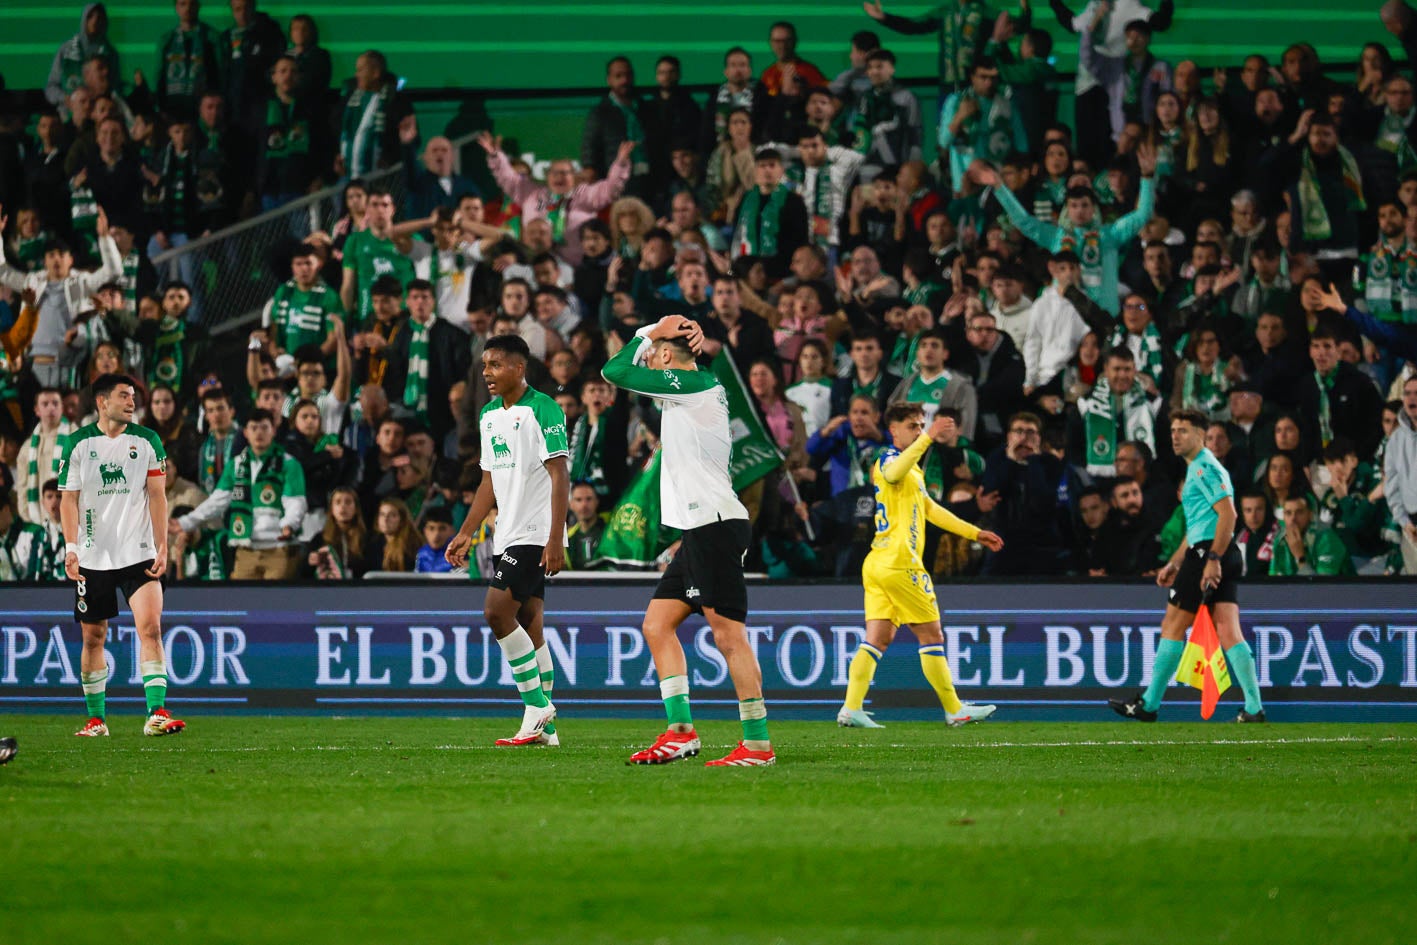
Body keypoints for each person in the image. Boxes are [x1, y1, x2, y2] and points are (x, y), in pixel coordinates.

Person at [601, 315, 776, 767]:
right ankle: (681, 732)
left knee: (728, 635)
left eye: (654, 353)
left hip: (715, 524)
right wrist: (663, 330)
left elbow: (614, 371)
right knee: (657, 625)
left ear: (663, 356)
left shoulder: (696, 385)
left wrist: (648, 331)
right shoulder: (687, 392)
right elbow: (629, 368)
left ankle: (757, 744)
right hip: (697, 529)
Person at [837, 404, 1003, 728]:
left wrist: (975, 532)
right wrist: (928, 437)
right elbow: (893, 472)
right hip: (900, 564)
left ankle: (851, 707)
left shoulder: (913, 469)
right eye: (912, 425)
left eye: (921, 425)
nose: (919, 430)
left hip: (879, 563)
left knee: (877, 639)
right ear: (894, 430)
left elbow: (931, 510)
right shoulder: (887, 459)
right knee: (932, 636)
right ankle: (954, 709)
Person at [444, 333, 569, 747]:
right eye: (485, 366)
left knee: (496, 612)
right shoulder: (489, 415)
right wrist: (466, 531)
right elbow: (488, 480)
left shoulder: (543, 409)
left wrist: (556, 538)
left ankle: (536, 707)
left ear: (520, 367)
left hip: (535, 534)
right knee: (532, 626)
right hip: (508, 533)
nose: (487, 373)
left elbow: (560, 475)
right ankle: (547, 731)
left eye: (496, 365)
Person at [1109, 409, 1266, 724]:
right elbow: (1198, 524)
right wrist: (1174, 562)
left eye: (1183, 430)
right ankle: (1253, 708)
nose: (1175, 436)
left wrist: (1212, 559)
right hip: (1212, 551)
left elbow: (1229, 515)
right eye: (1173, 430)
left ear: (1201, 434)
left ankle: (1149, 704)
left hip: (1209, 553)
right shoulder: (1199, 467)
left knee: (1172, 626)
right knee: (1228, 630)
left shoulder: (1204, 468)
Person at [60, 373, 184, 738]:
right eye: (124, 396)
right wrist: (71, 548)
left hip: (139, 552)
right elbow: (68, 498)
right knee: (93, 638)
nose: (132, 402)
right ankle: (96, 719)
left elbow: (158, 495)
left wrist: (161, 545)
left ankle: (156, 713)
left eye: (133, 397)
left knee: (151, 627)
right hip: (93, 555)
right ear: (102, 402)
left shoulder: (147, 441)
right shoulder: (79, 444)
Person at [978, 143, 1158, 314]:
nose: (1079, 211)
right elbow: (1023, 221)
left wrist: (1148, 177)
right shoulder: (1056, 237)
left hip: (1104, 316)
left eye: (1084, 205)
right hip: (1066, 315)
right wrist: (999, 188)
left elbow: (1142, 215)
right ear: (1067, 210)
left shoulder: (1110, 234)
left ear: (1094, 209)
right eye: (1074, 206)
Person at [172, 408, 308, 579]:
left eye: (264, 428)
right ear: (245, 433)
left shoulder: (288, 463)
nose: (259, 433)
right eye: (254, 428)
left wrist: (289, 524)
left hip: (279, 549)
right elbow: (217, 502)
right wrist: (186, 522)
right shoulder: (235, 465)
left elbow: (295, 501)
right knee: (241, 601)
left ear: (273, 431)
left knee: (275, 604)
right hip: (246, 549)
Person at [0, 204, 120, 389]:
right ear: (45, 261)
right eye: (51, 255)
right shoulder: (32, 282)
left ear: (70, 259)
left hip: (69, 366)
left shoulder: (81, 281)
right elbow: (3, 272)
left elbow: (113, 271)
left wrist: (105, 238)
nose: (57, 259)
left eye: (61, 255)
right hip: (34, 365)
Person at [480, 132, 631, 266]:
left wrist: (621, 163)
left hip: (575, 267)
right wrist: (495, 156)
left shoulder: (585, 195)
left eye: (565, 173)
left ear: (574, 176)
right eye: (555, 173)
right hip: (534, 265)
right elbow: (508, 178)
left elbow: (611, 188)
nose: (560, 177)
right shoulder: (531, 194)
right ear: (547, 176)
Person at [938, 57, 1028, 194]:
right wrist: (960, 117)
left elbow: (1022, 145)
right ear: (973, 77)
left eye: (993, 78)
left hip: (998, 180)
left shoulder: (1007, 105)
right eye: (983, 77)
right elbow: (944, 141)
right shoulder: (956, 101)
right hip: (964, 180)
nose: (989, 82)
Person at [336, 49, 413, 180]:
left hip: (384, 178)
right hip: (349, 177)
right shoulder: (350, 99)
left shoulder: (397, 101)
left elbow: (410, 139)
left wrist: (390, 158)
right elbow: (339, 129)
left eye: (360, 70)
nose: (356, 75)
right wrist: (340, 155)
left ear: (375, 73)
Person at [851, 49, 924, 179]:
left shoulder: (906, 97)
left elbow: (915, 131)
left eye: (879, 67)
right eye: (870, 68)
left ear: (892, 69)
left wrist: (913, 164)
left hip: (900, 164)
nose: (874, 72)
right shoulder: (865, 98)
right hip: (872, 163)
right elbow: (860, 130)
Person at [262, 244, 344, 357]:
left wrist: (310, 363)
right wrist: (275, 352)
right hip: (289, 366)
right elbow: (275, 329)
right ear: (292, 267)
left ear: (318, 264)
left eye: (308, 263)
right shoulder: (283, 291)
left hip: (320, 368)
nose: (304, 269)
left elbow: (334, 338)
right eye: (299, 264)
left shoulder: (329, 296)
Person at [16, 388, 75, 524]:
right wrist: (29, 518)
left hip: (69, 520)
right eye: (45, 404)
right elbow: (23, 487)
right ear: (37, 410)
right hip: (38, 520)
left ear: (62, 408)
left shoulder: (76, 438)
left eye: (55, 403)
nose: (51, 408)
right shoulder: (27, 447)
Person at [155, 0, 220, 120]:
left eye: (192, 4)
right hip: (172, 109)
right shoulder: (167, 40)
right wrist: (160, 107)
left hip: (203, 110)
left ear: (198, 6)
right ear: (176, 7)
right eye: (183, 4)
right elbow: (159, 77)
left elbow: (220, 75)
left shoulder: (212, 37)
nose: (188, 8)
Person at [1268, 494, 1354, 576]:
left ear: (1310, 515)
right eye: (1288, 513)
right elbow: (1275, 584)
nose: (1293, 519)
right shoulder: (1280, 541)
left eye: (1299, 512)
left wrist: (1300, 557)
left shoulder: (1327, 539)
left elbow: (1322, 588)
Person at [1383, 374, 1417, 574]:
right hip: (1411, 529)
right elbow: (1392, 485)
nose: (1412, 398)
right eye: (1407, 393)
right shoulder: (1396, 439)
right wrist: (1404, 522)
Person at [413, 505, 455, 573]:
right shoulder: (420, 554)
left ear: (452, 531)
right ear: (425, 531)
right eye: (431, 528)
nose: (436, 534)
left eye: (442, 529)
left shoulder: (461, 555)